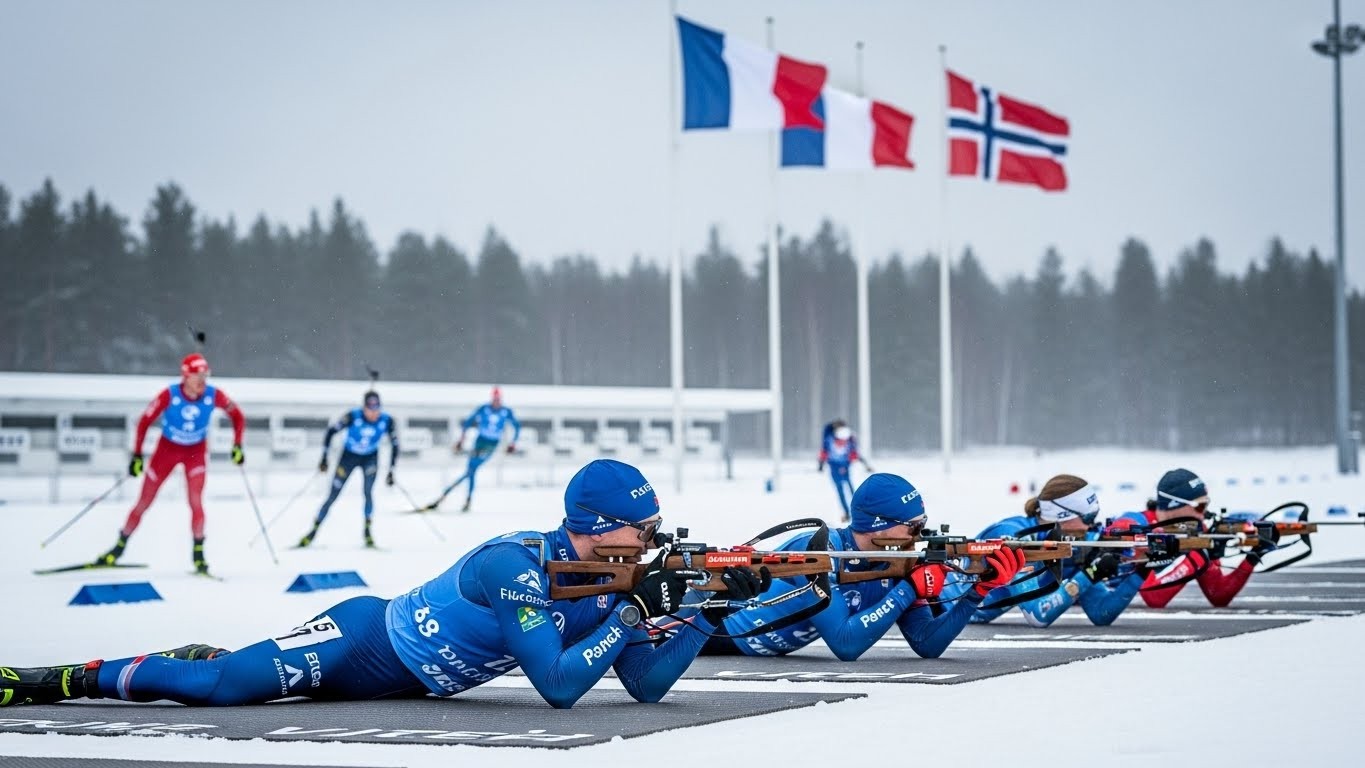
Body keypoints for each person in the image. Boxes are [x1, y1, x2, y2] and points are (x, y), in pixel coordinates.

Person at [0, 459, 767, 710]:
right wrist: (632, 607)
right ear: (594, 527)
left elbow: (640, 686)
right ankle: (62, 679)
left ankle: (205, 655)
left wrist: (701, 613)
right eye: (643, 531)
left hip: (413, 685)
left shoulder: (606, 575)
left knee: (231, 676)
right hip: (367, 643)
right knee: (223, 688)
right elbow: (561, 687)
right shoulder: (516, 567)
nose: (652, 543)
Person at [700, 473, 1023, 661]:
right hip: (710, 632)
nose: (919, 535)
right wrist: (909, 589)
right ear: (879, 526)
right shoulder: (818, 549)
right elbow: (846, 644)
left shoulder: (899, 558)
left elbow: (928, 644)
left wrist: (978, 591)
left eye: (922, 524)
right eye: (913, 526)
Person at [95, 352, 245, 576]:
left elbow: (238, 416)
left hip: (195, 452)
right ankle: (118, 548)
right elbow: (144, 421)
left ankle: (199, 556)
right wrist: (137, 455)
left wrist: (237, 445)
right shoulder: (170, 394)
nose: (203, 381)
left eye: (206, 375)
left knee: (195, 501)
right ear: (185, 376)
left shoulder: (214, 395)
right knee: (144, 502)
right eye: (198, 376)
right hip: (167, 451)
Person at [959, 474, 1147, 627]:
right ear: (1063, 516)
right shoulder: (1016, 536)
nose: (1091, 526)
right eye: (1089, 517)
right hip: (939, 613)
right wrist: (1090, 573)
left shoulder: (1068, 546)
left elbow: (1101, 613)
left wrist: (1142, 570)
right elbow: (1038, 614)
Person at [1108, 468, 1275, 608]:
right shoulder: (1133, 523)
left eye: (1206, 504)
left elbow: (1218, 594)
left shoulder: (1195, 532)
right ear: (1175, 504)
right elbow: (1154, 597)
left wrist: (1253, 557)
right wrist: (1198, 554)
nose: (1204, 513)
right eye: (1200, 505)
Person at [297, 390, 399, 549]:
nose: (373, 413)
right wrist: (324, 458)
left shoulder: (387, 420)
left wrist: (391, 470)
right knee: (332, 495)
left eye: (376, 409)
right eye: (370, 409)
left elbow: (395, 445)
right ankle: (313, 531)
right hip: (348, 458)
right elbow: (331, 432)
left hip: (370, 458)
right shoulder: (353, 416)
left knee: (368, 492)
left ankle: (367, 532)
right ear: (364, 407)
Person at [450, 386, 521, 512]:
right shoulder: (484, 409)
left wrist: (513, 443)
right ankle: (468, 499)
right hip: (480, 441)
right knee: (471, 468)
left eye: (498, 399)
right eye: (494, 399)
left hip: (491, 445)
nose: (496, 402)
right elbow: (467, 423)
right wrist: (462, 439)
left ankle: (457, 495)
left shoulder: (505, 411)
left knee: (472, 469)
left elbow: (517, 426)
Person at [818, 419, 872, 523]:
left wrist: (865, 464)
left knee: (849, 487)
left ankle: (859, 510)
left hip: (845, 466)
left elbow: (854, 453)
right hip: (834, 466)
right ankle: (847, 512)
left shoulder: (849, 440)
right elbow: (824, 451)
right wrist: (820, 464)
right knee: (840, 489)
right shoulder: (829, 440)